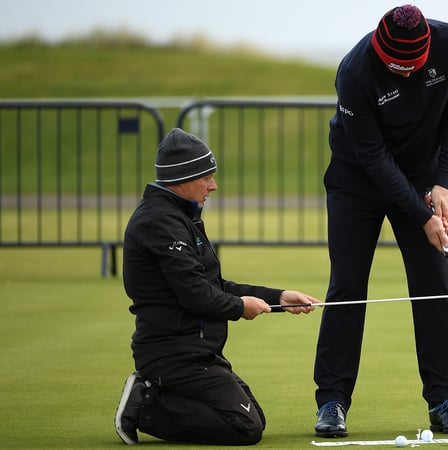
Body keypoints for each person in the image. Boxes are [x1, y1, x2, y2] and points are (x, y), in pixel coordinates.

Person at [312, 4, 448, 438]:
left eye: (413, 67)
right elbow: (373, 157)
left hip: (423, 175)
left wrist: (442, 182)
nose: (404, 74)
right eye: (395, 68)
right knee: (347, 286)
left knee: (432, 284)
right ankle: (331, 401)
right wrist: (422, 215)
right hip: (356, 180)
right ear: (380, 51)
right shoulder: (355, 70)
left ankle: (444, 399)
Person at [114, 128, 320, 445]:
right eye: (207, 177)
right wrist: (241, 309)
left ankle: (155, 396)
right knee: (244, 427)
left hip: (198, 352)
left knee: (253, 419)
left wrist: (278, 299)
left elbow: (214, 285)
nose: (214, 186)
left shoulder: (180, 215)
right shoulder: (160, 222)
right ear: (182, 178)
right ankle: (144, 406)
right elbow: (195, 295)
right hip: (173, 355)